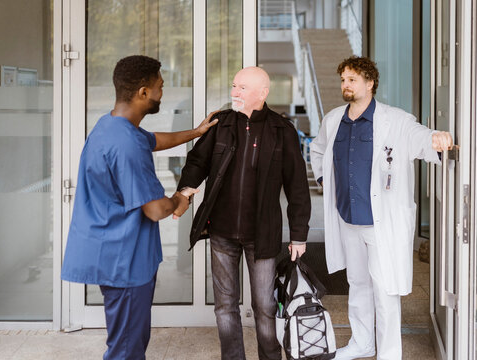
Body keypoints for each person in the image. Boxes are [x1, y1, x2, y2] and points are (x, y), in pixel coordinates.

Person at [61, 55, 217, 360]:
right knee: (127, 348)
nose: (162, 93)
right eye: (159, 87)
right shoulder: (126, 144)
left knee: (126, 341)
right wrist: (180, 200)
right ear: (143, 92)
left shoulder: (112, 126)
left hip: (116, 255)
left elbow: (155, 140)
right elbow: (155, 209)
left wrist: (196, 133)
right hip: (125, 261)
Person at [310, 56, 452, 360]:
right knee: (357, 283)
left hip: (380, 222)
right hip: (347, 217)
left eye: (352, 80)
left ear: (370, 83)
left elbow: (418, 137)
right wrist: (326, 181)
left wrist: (435, 139)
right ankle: (363, 343)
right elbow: (318, 149)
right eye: (343, 80)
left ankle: (389, 353)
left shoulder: (395, 120)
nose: (345, 85)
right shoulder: (334, 119)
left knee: (384, 289)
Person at [177, 66, 311, 360]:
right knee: (225, 305)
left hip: (261, 235)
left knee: (264, 306)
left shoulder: (282, 130)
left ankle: (270, 357)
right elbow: (197, 161)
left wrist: (299, 235)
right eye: (234, 86)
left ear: (262, 93)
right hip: (222, 231)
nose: (233, 92)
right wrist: (185, 189)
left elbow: (297, 186)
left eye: (241, 88)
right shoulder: (221, 124)